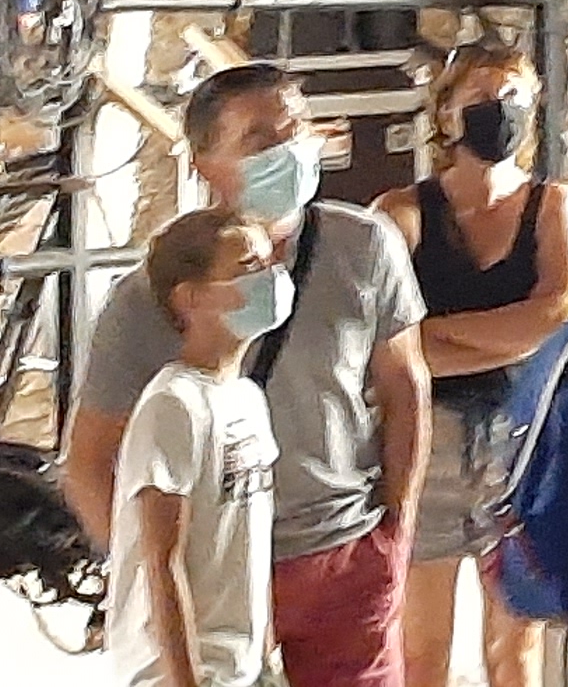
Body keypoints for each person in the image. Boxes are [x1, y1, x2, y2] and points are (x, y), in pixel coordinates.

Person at [72, 64, 429, 687]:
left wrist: (395, 531)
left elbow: (405, 388)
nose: (288, 153)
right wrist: (148, 585)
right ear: (206, 165)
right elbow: (88, 461)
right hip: (218, 578)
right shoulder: (146, 299)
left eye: (296, 132)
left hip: (343, 553)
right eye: (261, 141)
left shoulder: (365, 246)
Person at [370, 47, 568, 687]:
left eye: (513, 97)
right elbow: (378, 341)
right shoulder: (402, 212)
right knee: (421, 646)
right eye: (481, 98)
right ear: (446, 114)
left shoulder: (551, 206)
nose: (499, 110)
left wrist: (432, 332)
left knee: (516, 645)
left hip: (521, 436)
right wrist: (506, 336)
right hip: (427, 435)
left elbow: (554, 317)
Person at [111, 209, 285, 687]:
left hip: (240, 669)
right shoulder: (174, 404)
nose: (269, 278)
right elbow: (163, 561)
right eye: (248, 267)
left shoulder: (247, 397)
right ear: (190, 297)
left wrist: (268, 659)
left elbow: (249, 544)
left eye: (269, 262)